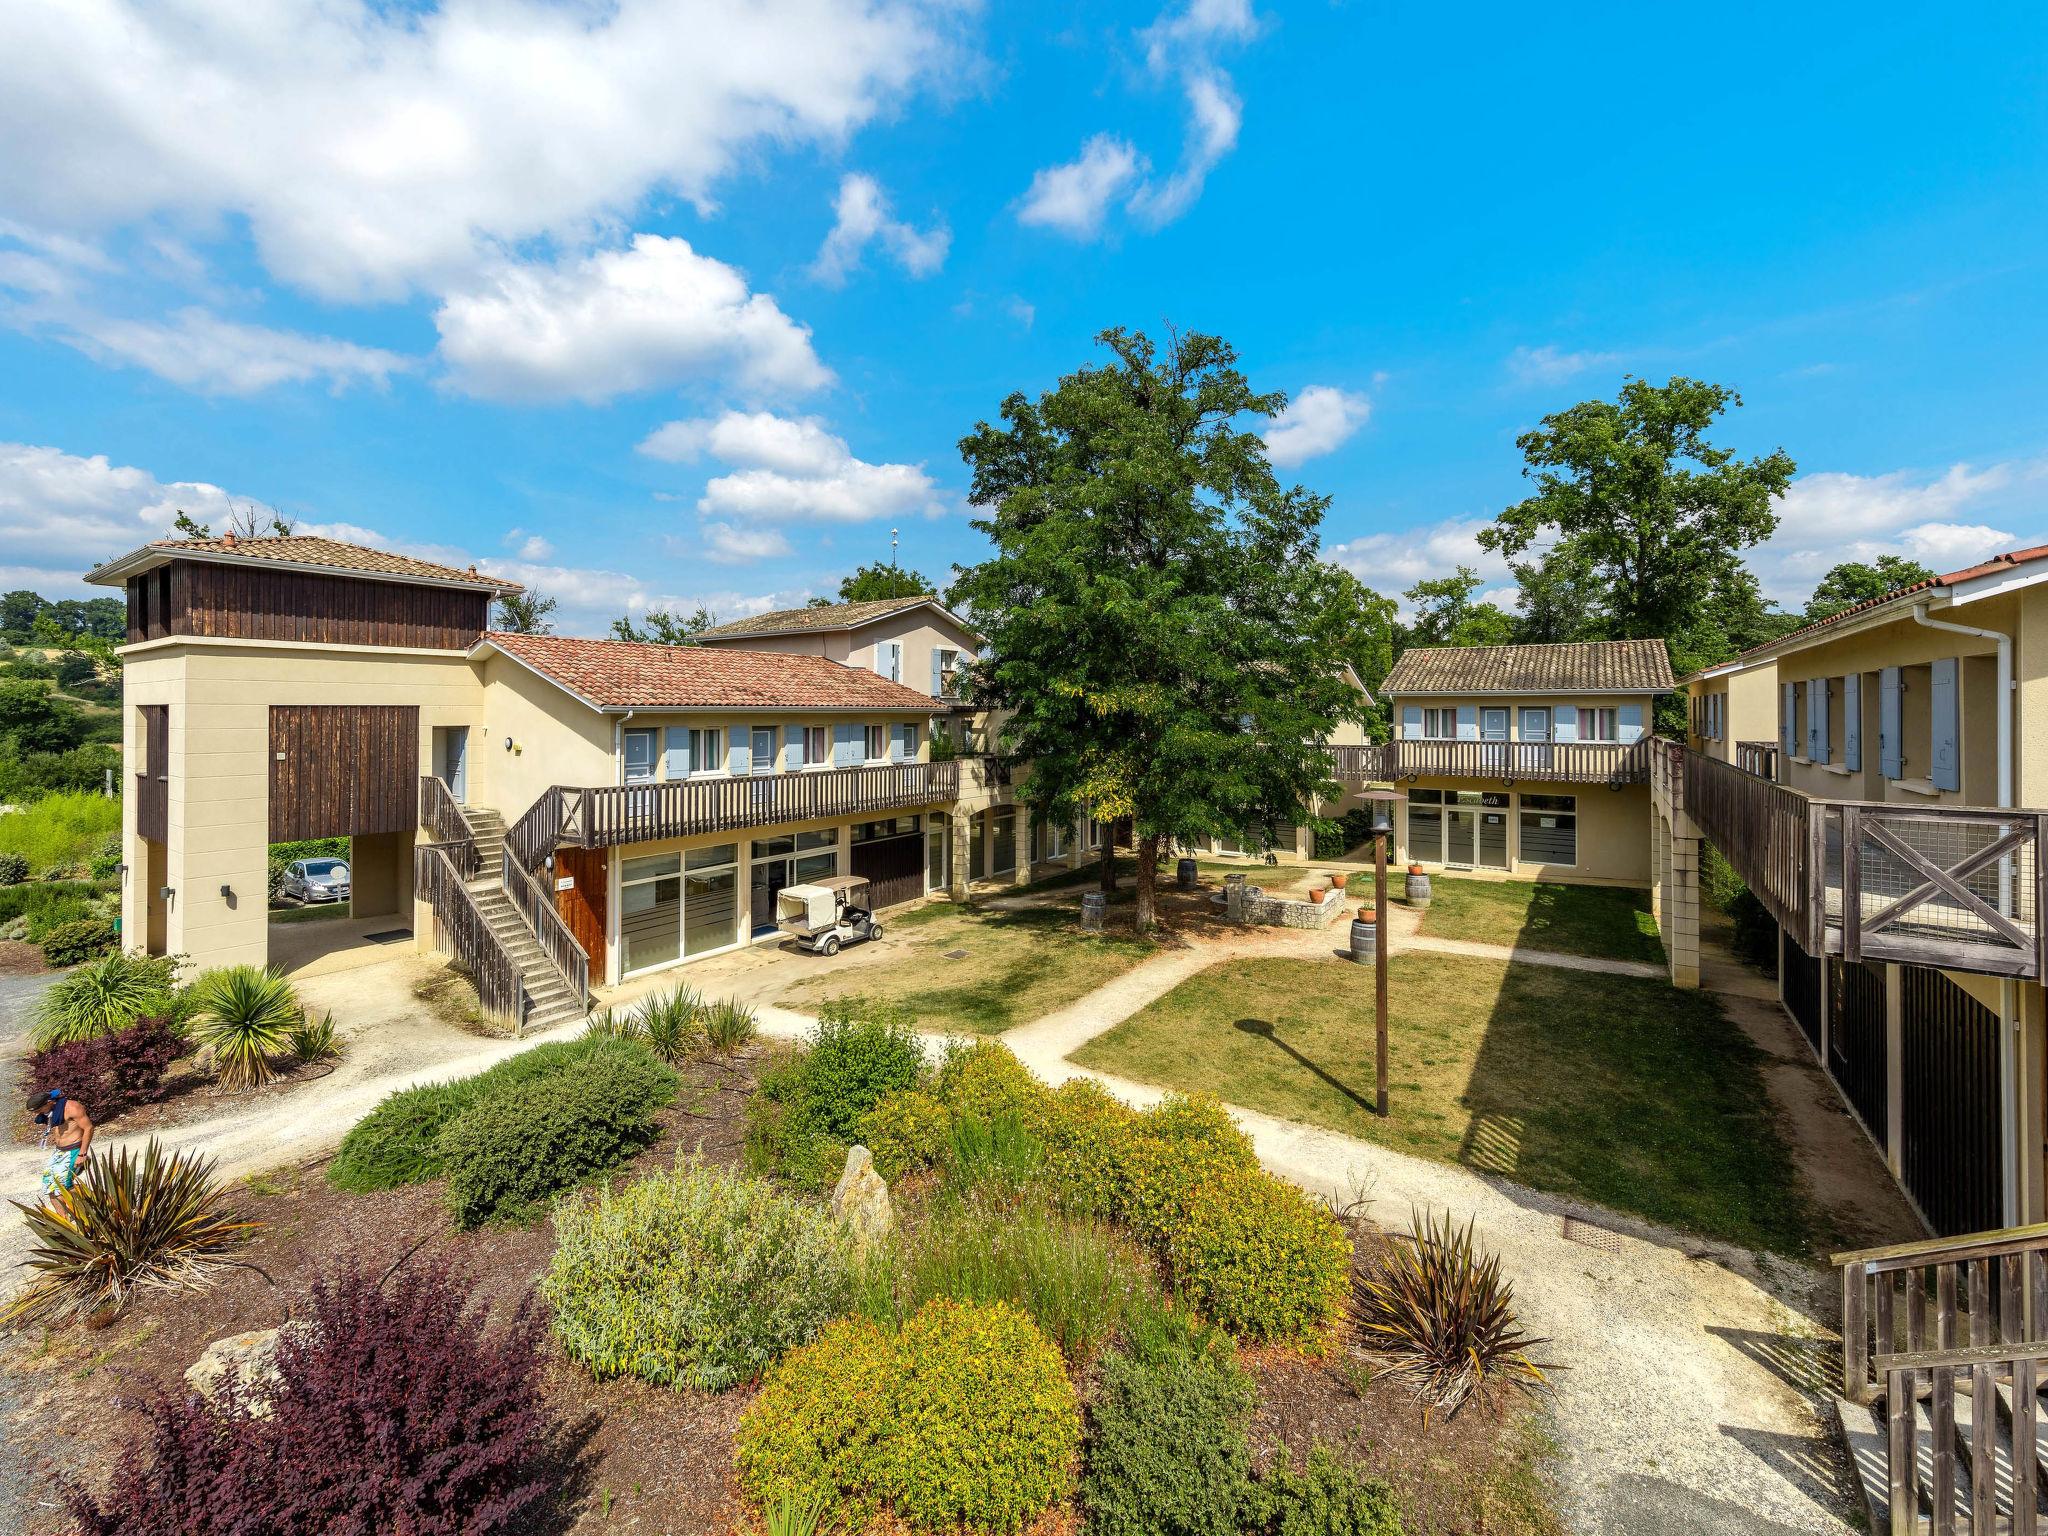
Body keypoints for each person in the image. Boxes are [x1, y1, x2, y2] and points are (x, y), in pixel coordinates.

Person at [29, 1088, 92, 1195]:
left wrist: (82, 1154)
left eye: (38, 1110)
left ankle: (97, 1202)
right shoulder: (52, 1111)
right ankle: (61, 1213)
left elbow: (88, 1128)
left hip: (73, 1150)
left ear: (48, 1103)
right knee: (49, 1186)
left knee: (64, 1186)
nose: (37, 1113)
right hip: (59, 1151)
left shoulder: (72, 1107)